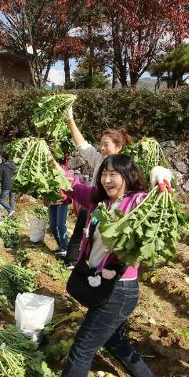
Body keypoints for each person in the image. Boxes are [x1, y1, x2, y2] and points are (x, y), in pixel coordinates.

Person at [60, 154, 169, 377]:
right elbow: (75, 187)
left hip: (119, 290)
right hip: (104, 286)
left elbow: (160, 200)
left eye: (114, 174)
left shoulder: (137, 203)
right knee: (114, 341)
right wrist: (53, 165)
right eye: (104, 174)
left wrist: (162, 180)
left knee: (82, 348)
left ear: (128, 176)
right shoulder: (100, 203)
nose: (107, 179)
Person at [63, 107, 131, 267]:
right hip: (92, 204)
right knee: (82, 232)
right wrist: (70, 119)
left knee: (98, 239)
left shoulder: (124, 167)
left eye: (106, 145)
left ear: (118, 147)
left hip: (108, 212)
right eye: (100, 144)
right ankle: (73, 261)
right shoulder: (99, 160)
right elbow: (82, 146)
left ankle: (96, 266)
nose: (101, 148)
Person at [0, 151, 17, 216]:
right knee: (11, 200)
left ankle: (11, 210)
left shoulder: (2, 165)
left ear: (3, 157)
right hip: (14, 185)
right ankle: (11, 216)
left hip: (6, 185)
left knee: (1, 200)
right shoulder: (14, 164)